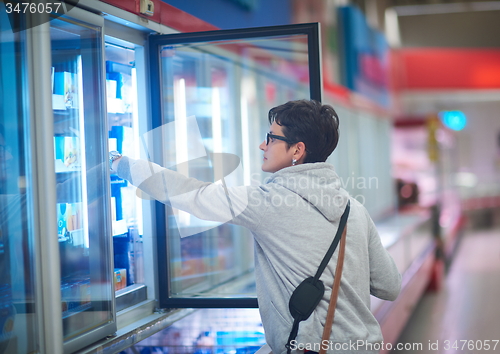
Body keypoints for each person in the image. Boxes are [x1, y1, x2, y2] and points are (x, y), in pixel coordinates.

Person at [111, 99, 401, 354]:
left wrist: (122, 164)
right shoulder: (355, 209)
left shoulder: (269, 203)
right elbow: (389, 285)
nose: (263, 145)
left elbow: (196, 196)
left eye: (271, 137)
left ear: (297, 150)